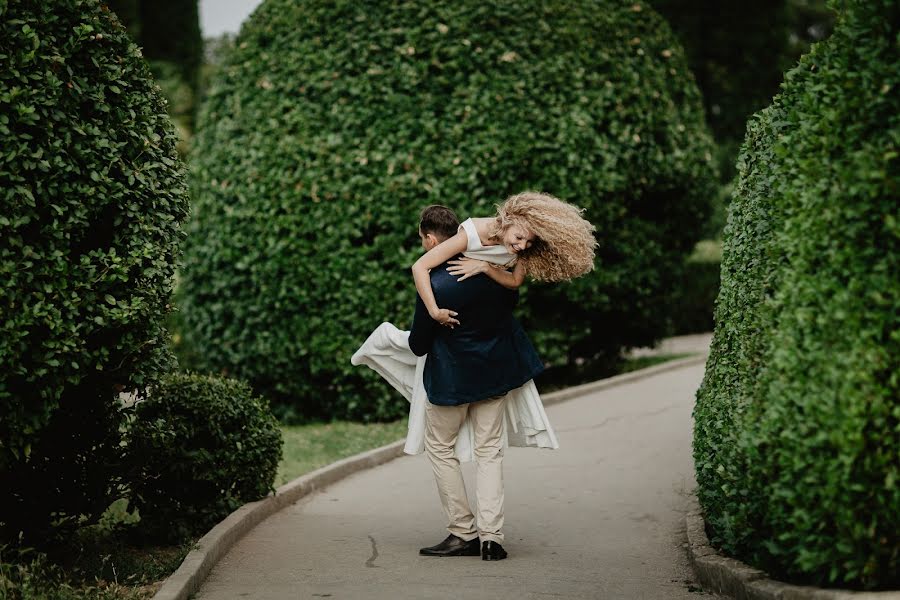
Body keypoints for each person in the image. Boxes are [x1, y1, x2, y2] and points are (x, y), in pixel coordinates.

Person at [408, 204, 547, 561]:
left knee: (440, 447)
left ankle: (462, 532)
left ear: (434, 240)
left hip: (452, 381)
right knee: (489, 451)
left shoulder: (437, 284)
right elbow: (513, 290)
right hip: (495, 374)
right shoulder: (503, 280)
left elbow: (419, 344)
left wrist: (433, 317)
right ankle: (491, 538)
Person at [411, 192, 597, 328]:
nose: (523, 246)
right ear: (506, 223)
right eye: (519, 238)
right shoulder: (471, 233)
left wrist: (485, 267)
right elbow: (419, 266)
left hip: (494, 304)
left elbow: (515, 281)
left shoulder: (524, 250)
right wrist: (435, 312)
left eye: (529, 241)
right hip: (465, 299)